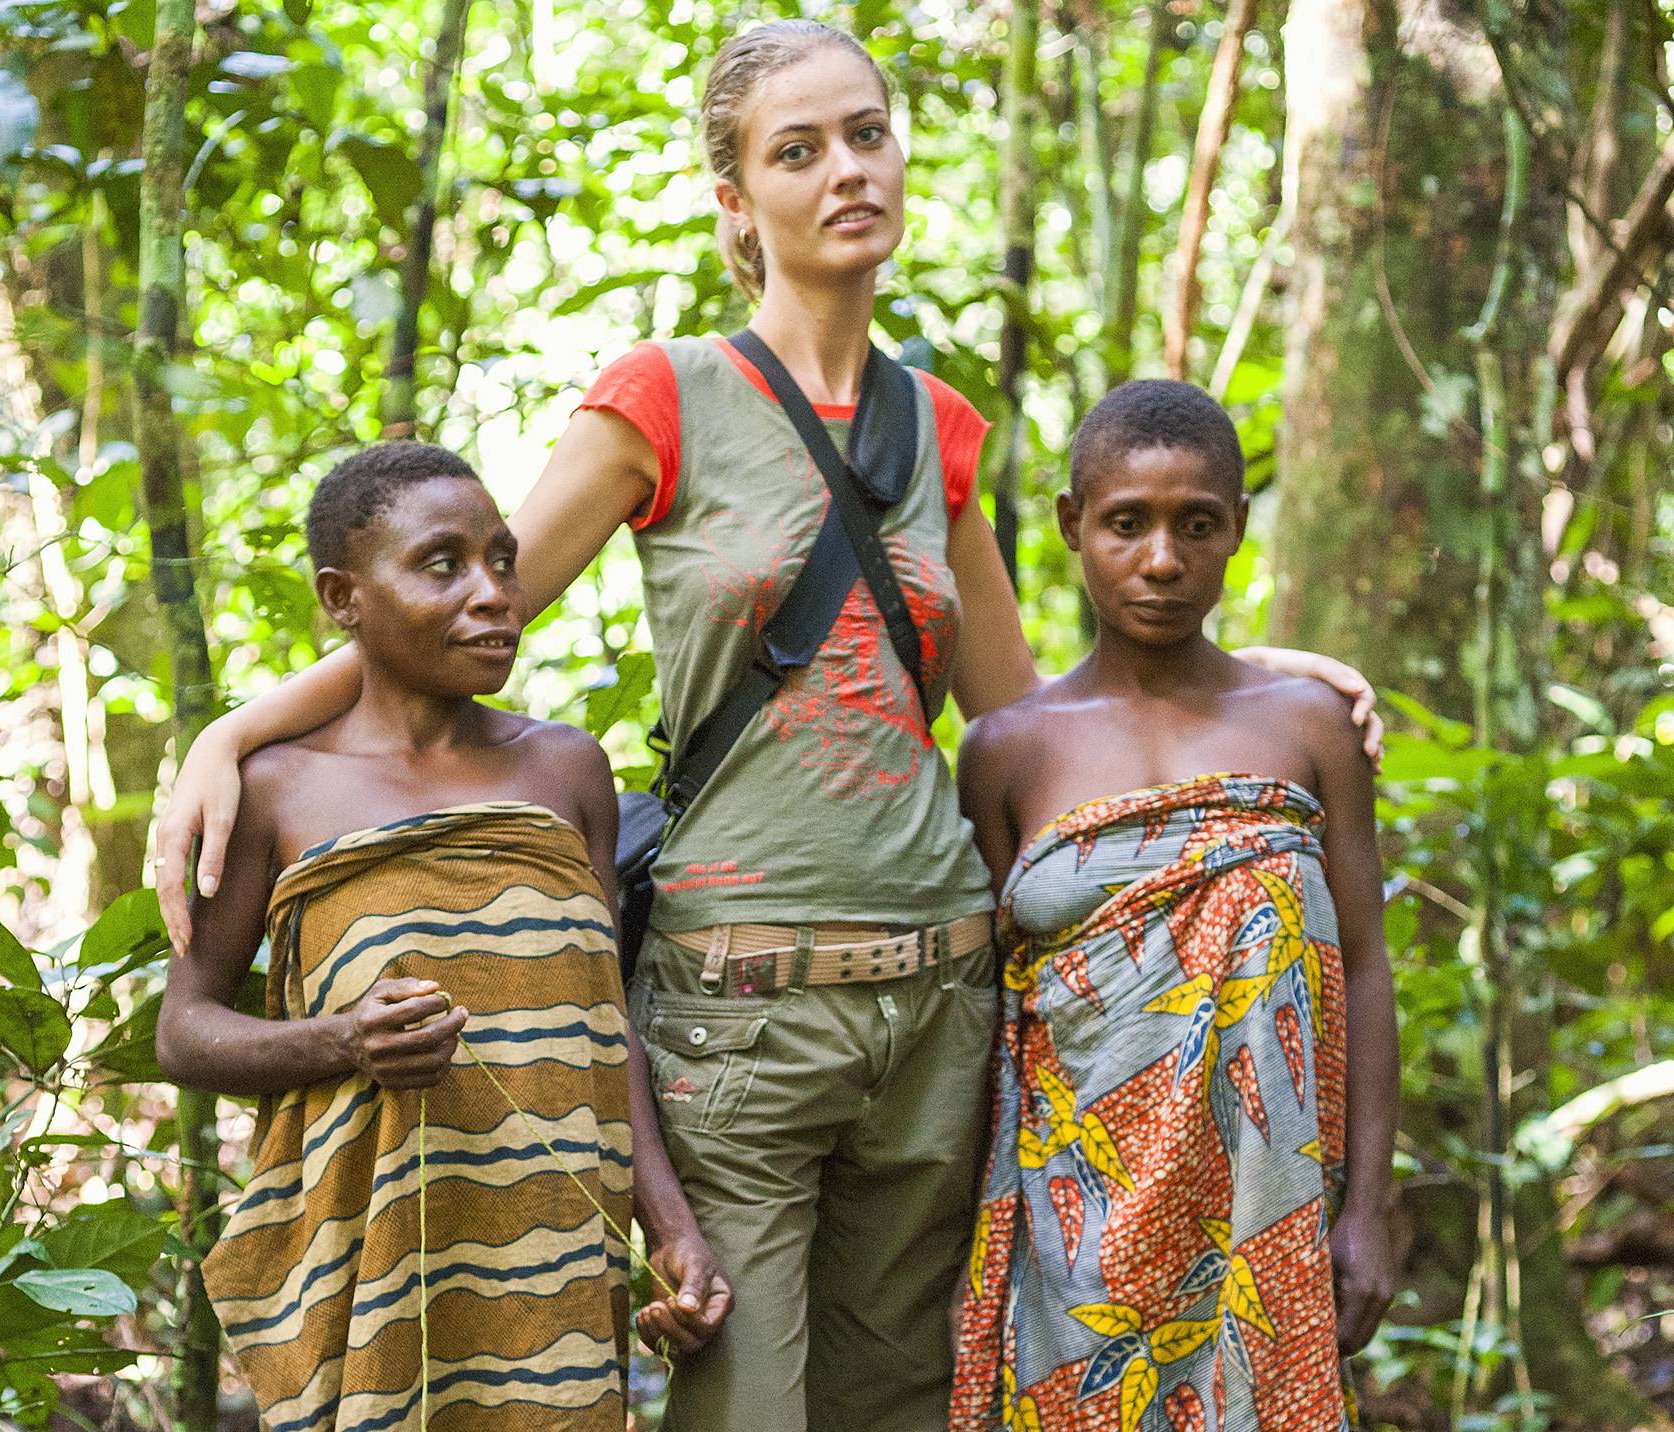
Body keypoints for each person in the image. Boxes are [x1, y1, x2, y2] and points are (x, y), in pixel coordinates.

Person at [149, 26, 1382, 1432]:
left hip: (939, 1003)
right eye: (796, 151)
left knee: (906, 1404)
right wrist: (228, 735)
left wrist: (1247, 664)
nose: (844, 171)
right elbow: (460, 632)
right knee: (743, 1404)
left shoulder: (942, 426)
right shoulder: (660, 398)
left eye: (865, 133)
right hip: (738, 1008)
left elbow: (1033, 712)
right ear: (735, 201)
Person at [155, 442, 730, 1432]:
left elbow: (604, 1025)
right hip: (374, 1261)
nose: (494, 592)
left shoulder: (566, 770)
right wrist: (343, 1040)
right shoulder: (276, 791)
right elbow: (183, 1028)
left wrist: (669, 1225)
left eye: (502, 560)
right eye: (442, 564)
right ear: (344, 595)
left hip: (553, 1270)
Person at [948, 382, 1399, 1432]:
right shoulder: (1008, 750)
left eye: (1196, 524)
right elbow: (991, 1011)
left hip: (1264, 1206)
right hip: (1071, 1219)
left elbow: (1368, 966)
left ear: (1237, 528)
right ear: (1073, 525)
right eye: (1126, 523)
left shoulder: (1310, 728)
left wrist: (1369, 1209)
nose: (1161, 558)